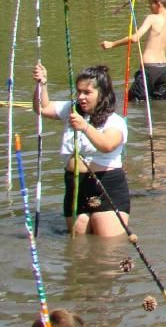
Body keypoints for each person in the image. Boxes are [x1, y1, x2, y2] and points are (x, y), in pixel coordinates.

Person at [32, 62, 130, 236]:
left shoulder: (115, 121)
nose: (81, 97)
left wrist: (85, 127)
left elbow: (107, 145)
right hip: (75, 184)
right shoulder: (72, 111)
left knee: (106, 249)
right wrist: (42, 84)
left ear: (102, 94)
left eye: (87, 92)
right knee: (79, 248)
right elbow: (41, 107)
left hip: (106, 185)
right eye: (79, 91)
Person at [100, 0, 166, 100]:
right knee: (160, 101)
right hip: (163, 70)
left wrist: (112, 44)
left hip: (149, 68)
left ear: (158, 4)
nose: (149, 7)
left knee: (133, 100)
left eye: (150, 4)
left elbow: (135, 38)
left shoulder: (152, 18)